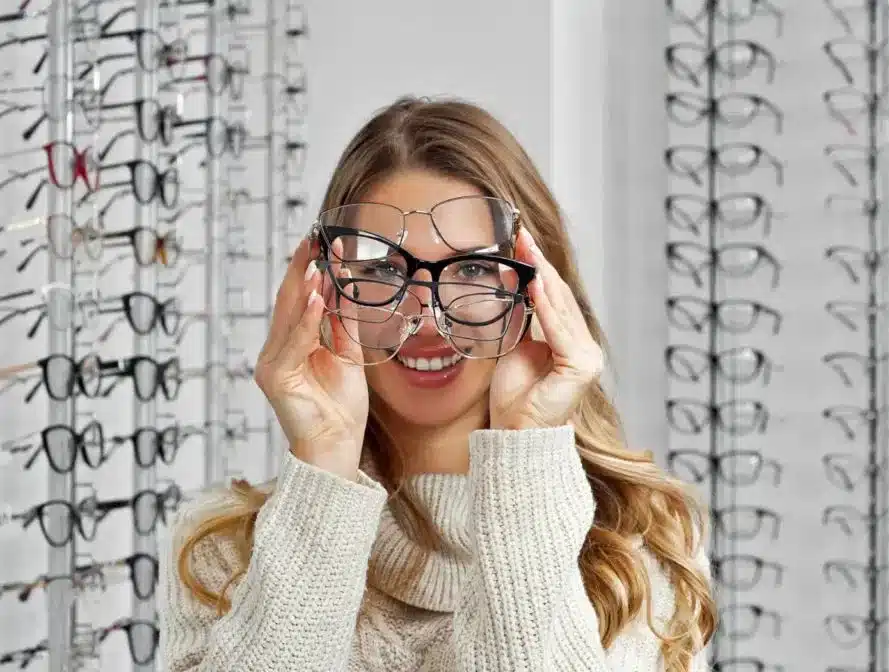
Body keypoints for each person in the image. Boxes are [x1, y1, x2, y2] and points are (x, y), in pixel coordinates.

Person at [159, 96, 716, 671]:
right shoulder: (221, 551)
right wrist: (324, 461)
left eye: (473, 269)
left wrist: (524, 454)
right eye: (381, 271)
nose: (427, 317)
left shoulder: (640, 549)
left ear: (540, 289)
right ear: (324, 289)